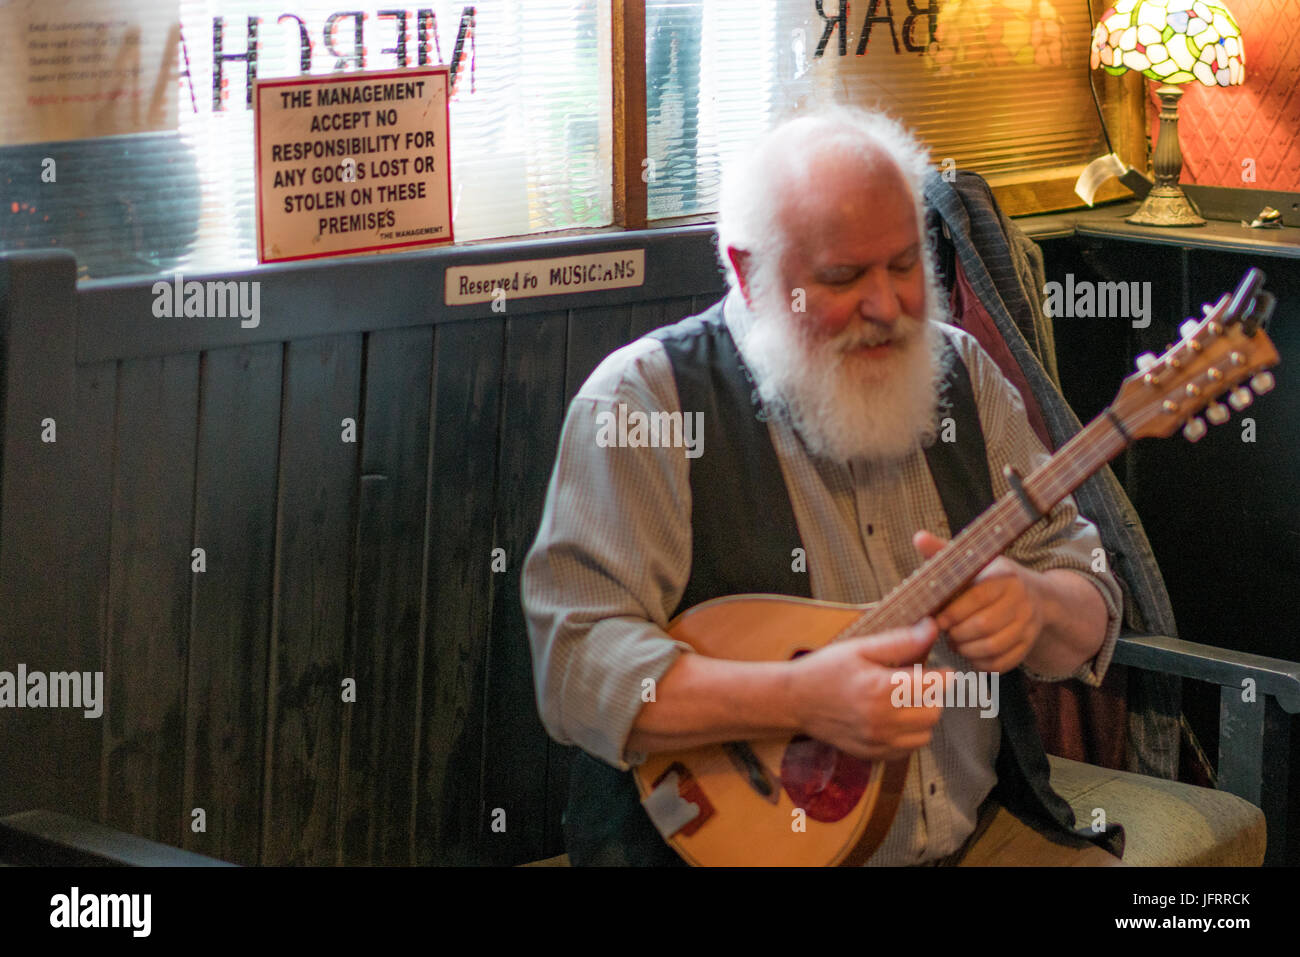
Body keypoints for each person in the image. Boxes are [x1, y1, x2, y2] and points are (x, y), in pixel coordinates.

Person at [522, 106, 1126, 866]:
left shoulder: (963, 375)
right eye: (843, 277)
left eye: (905, 265)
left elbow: (1089, 592)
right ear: (747, 273)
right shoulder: (646, 402)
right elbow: (574, 665)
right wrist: (799, 697)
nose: (886, 306)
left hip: (982, 835)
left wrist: (1036, 607)